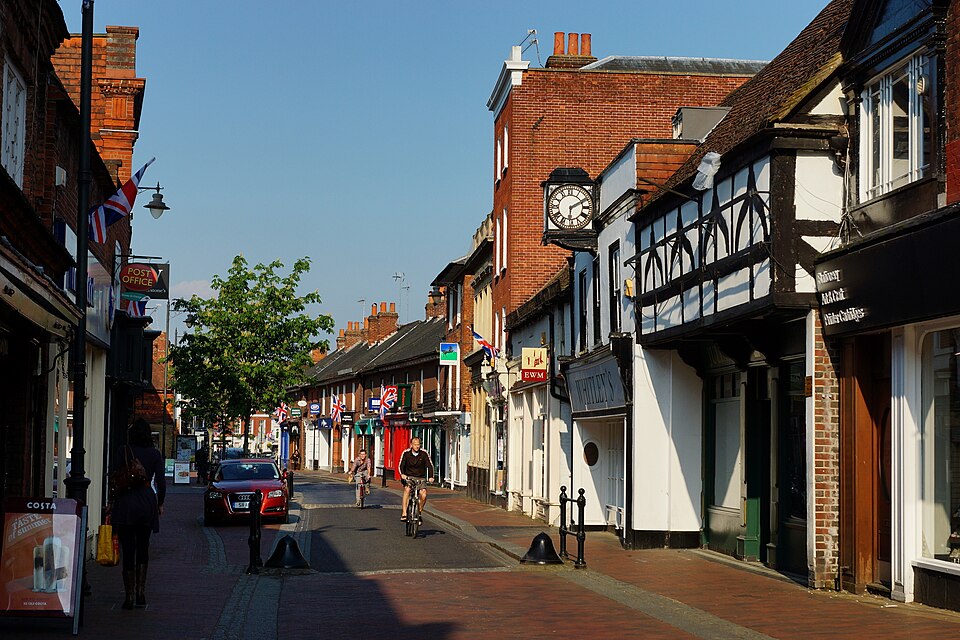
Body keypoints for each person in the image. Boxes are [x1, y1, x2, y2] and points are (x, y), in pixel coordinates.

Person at [109, 418, 165, 610]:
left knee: (128, 549)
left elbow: (114, 476)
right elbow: (161, 482)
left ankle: (129, 596)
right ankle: (141, 593)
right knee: (143, 547)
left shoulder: (122, 450)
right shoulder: (155, 454)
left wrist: (111, 500)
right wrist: (160, 503)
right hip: (146, 502)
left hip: (126, 503)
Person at [398, 437, 434, 523]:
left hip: (421, 477)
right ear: (411, 445)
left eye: (418, 444)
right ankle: (404, 513)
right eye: (415, 444)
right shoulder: (406, 453)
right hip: (409, 477)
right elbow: (401, 465)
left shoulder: (424, 453)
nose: (417, 446)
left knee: (423, 494)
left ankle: (419, 512)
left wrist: (431, 476)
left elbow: (430, 465)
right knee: (407, 489)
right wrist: (402, 474)